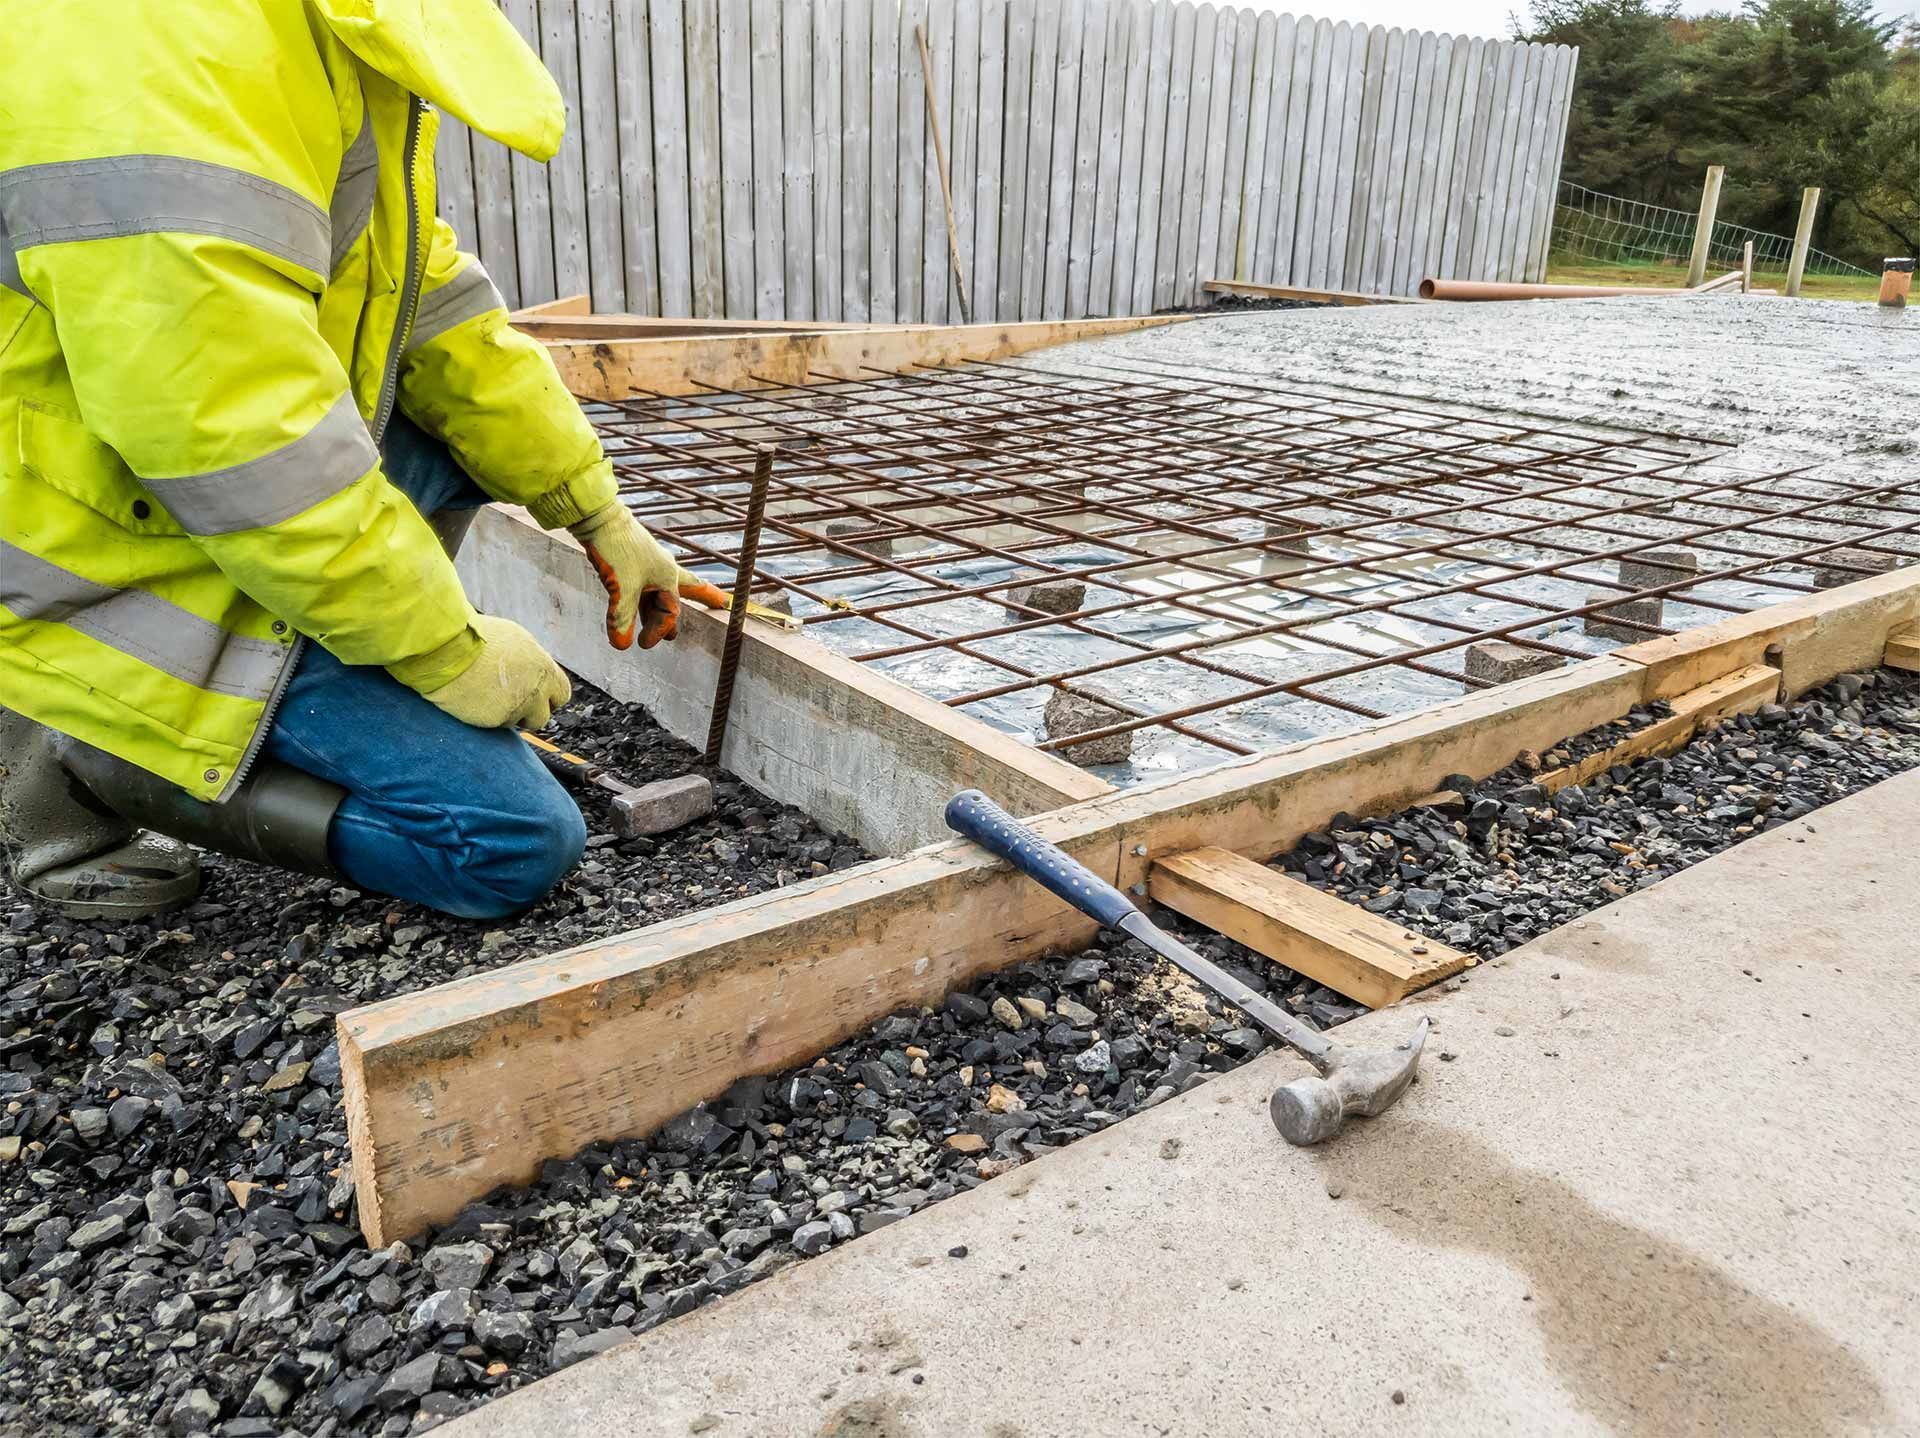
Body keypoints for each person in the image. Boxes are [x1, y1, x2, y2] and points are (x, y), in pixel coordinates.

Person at [0, 0, 702, 921]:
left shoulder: (307, 37)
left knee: (453, 440)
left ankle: (335, 653)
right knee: (513, 845)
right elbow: (242, 439)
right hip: (97, 547)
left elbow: (426, 301)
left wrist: (591, 508)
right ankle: (96, 753)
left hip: (203, 502)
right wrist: (449, 651)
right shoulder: (160, 64)